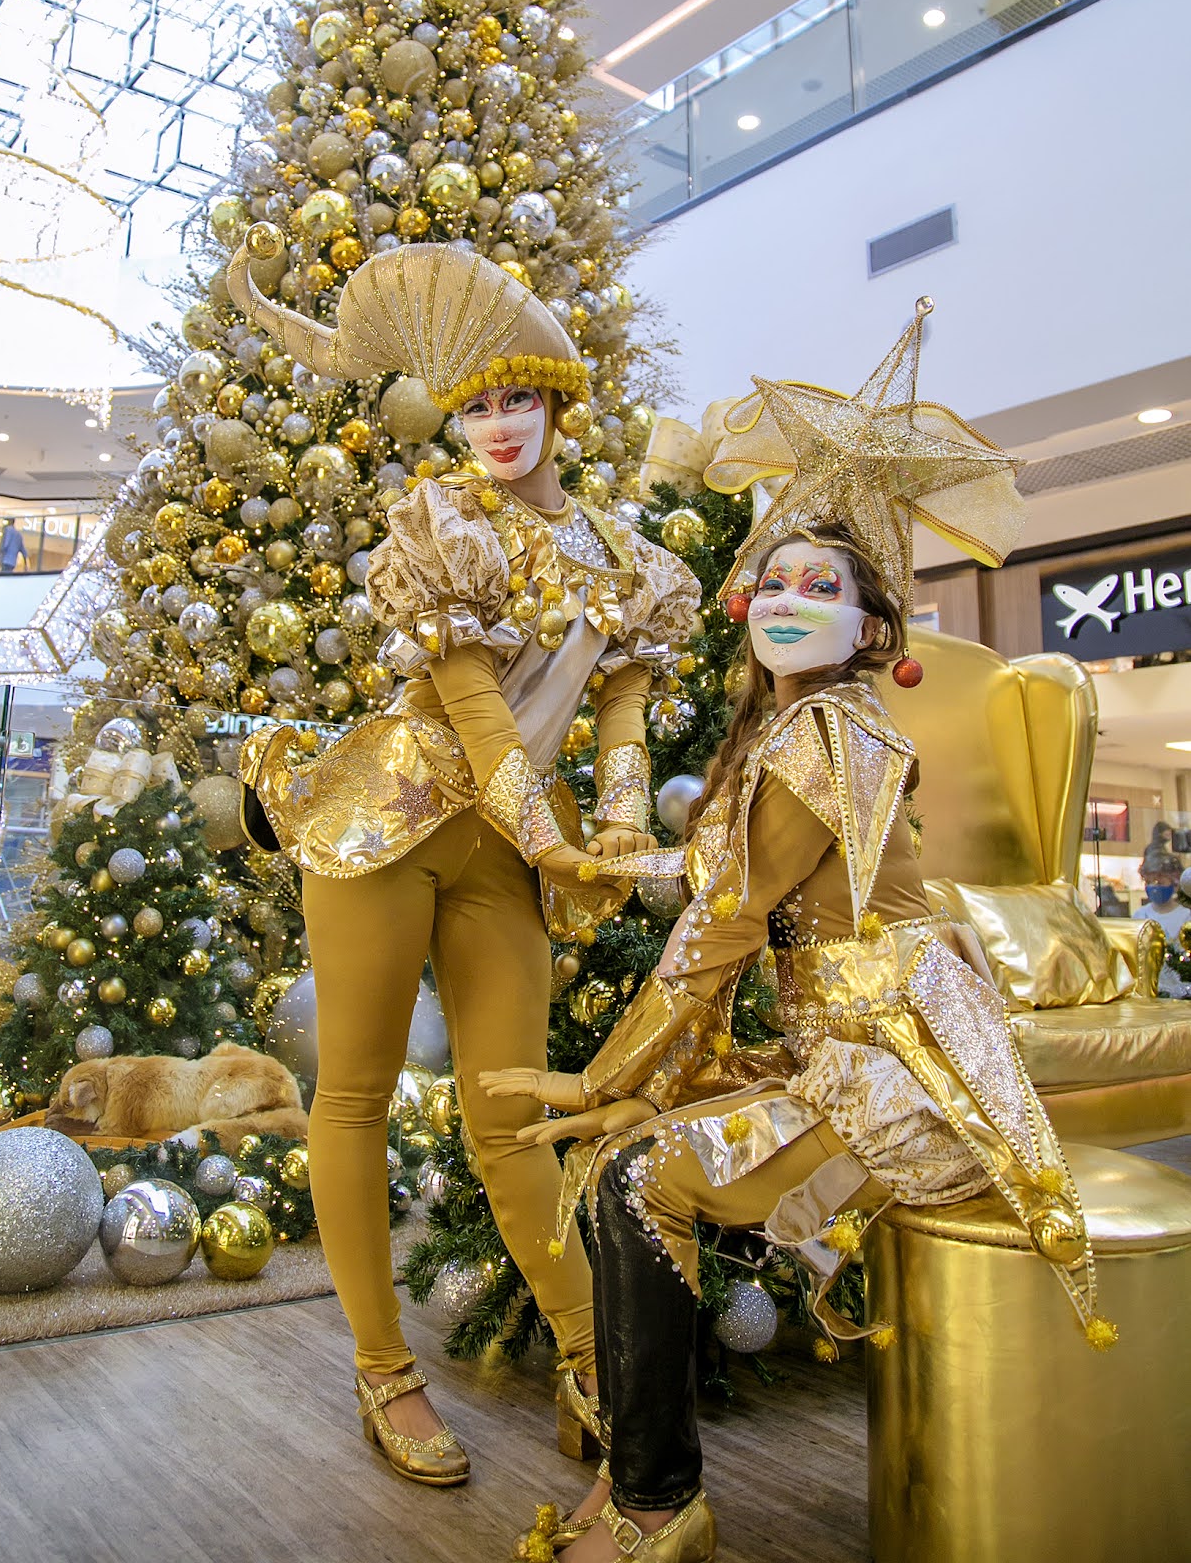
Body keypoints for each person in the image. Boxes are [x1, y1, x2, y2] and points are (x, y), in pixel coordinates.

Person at [486, 301, 1111, 1563]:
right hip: (858, 1039)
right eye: (772, 577)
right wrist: (617, 858)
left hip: (895, 1064)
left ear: (871, 630)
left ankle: (658, 1503)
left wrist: (602, 1074)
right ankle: (636, 1484)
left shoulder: (820, 733)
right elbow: (739, 879)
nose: (787, 597)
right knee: (631, 1165)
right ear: (737, 596)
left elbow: (724, 924)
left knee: (627, 1172)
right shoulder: (804, 733)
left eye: (819, 586)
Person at [228, 240, 701, 1486]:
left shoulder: (631, 561)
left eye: (518, 397)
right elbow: (474, 701)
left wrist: (612, 822)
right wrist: (549, 831)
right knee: (355, 1096)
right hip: (387, 819)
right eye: (476, 402)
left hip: (504, 849)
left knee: (510, 1119)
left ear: (558, 400)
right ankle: (384, 1369)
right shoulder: (440, 520)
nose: (495, 424)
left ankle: (595, 1363)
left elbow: (621, 711)